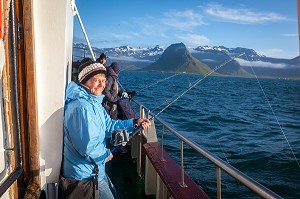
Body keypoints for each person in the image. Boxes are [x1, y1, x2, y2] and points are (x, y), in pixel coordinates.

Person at [61, 60, 151, 199]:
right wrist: (105, 155)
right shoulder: (81, 107)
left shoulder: (94, 103)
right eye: (96, 80)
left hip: (95, 170)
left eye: (103, 80)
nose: (102, 85)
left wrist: (134, 122)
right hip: (83, 176)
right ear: (84, 81)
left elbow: (109, 125)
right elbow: (88, 148)